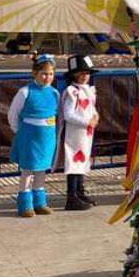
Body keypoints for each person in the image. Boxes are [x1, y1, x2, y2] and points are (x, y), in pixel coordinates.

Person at [7, 53, 60, 217]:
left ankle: (40, 202)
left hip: (47, 138)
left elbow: (56, 114)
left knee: (41, 170)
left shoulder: (54, 93)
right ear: (34, 73)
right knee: (27, 171)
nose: (47, 77)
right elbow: (12, 114)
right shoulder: (25, 92)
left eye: (51, 74)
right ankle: (25, 204)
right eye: (44, 73)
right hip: (29, 138)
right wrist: (20, 132)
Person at [61, 54, 100, 211]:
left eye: (87, 73)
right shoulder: (72, 92)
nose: (85, 76)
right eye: (81, 73)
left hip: (86, 134)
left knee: (83, 162)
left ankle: (79, 191)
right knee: (74, 162)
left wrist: (95, 116)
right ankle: (71, 196)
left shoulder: (89, 91)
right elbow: (68, 114)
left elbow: (91, 108)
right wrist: (86, 122)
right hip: (75, 133)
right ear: (74, 75)